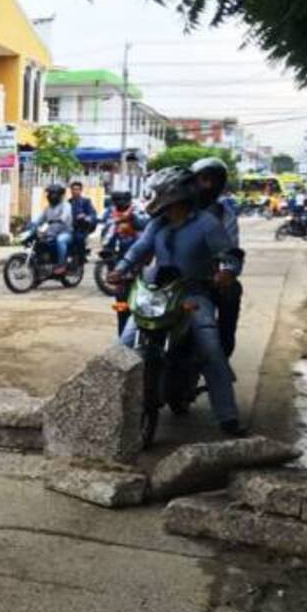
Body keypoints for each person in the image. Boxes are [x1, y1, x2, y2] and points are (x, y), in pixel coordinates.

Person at [109, 167, 244, 436]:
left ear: (174, 194)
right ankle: (109, 407)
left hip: (193, 295)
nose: (153, 198)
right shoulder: (158, 224)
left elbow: (229, 254)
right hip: (157, 294)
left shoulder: (206, 223)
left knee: (210, 349)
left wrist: (228, 271)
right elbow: (139, 249)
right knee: (123, 346)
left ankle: (228, 416)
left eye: (157, 192)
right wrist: (120, 269)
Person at [191, 157, 244, 358]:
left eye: (214, 180)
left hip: (209, 276)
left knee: (231, 291)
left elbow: (231, 248)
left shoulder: (225, 214)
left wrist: (227, 271)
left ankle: (223, 351)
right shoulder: (177, 207)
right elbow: (146, 240)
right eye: (204, 179)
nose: (208, 185)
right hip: (175, 275)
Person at [29, 183, 74, 274]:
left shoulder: (66, 205)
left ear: (59, 195)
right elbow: (40, 219)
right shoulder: (48, 208)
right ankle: (42, 263)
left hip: (65, 232)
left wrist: (58, 220)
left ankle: (61, 265)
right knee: (39, 241)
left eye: (53, 194)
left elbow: (65, 217)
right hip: (52, 232)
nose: (50, 196)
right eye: (49, 194)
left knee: (60, 240)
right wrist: (31, 225)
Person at [68, 180, 99, 261]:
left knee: (78, 238)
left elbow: (93, 214)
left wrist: (85, 216)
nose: (75, 191)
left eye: (77, 189)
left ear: (81, 190)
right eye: (73, 189)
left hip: (82, 227)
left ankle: (81, 259)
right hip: (69, 227)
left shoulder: (86, 202)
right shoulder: (68, 202)